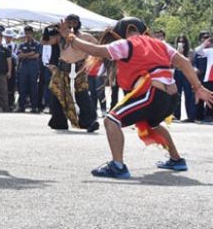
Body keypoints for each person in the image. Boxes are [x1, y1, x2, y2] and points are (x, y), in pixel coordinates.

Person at [60, 17, 213, 178]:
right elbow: (184, 62)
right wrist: (198, 88)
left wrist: (71, 37)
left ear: (124, 32)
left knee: (111, 120)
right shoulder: (160, 44)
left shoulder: (126, 44)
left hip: (153, 93)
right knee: (150, 125)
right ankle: (176, 159)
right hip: (171, 97)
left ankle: (117, 166)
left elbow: (95, 50)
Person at [47, 14, 99, 132]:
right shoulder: (59, 36)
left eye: (74, 23)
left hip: (79, 69)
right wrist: (48, 30)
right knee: (57, 93)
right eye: (69, 22)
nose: (71, 25)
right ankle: (59, 122)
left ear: (78, 24)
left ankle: (89, 122)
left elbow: (98, 47)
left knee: (83, 95)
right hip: (62, 68)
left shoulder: (86, 36)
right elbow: (45, 42)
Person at [16, 25, 41, 113]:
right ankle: (21, 107)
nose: (27, 35)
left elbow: (37, 55)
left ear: (32, 33)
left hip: (33, 68)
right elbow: (19, 55)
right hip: (23, 68)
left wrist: (25, 55)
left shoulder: (37, 44)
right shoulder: (22, 44)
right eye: (26, 33)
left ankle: (34, 107)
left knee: (33, 88)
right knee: (22, 87)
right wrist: (30, 54)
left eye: (29, 33)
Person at [173, 34, 195, 121]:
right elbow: (174, 64)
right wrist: (178, 53)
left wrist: (181, 55)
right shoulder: (174, 51)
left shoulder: (190, 52)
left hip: (186, 74)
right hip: (177, 73)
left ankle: (191, 116)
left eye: (183, 41)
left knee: (188, 94)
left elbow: (188, 62)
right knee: (177, 94)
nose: (181, 43)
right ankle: (176, 114)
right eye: (179, 41)